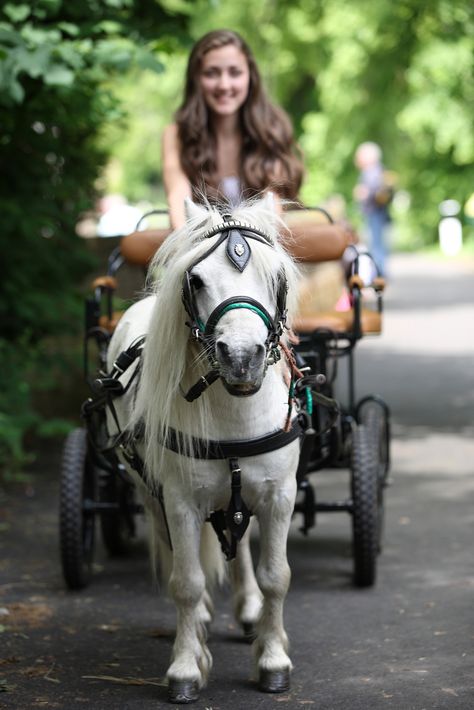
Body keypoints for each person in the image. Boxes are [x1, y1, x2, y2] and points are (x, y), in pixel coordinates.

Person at [162, 29, 304, 230]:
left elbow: (272, 210)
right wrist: (188, 245)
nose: (224, 84)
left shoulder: (271, 130)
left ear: (250, 77)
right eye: (211, 73)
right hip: (202, 250)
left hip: (263, 248)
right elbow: (178, 201)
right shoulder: (176, 136)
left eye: (235, 72)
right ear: (196, 79)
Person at [353, 142, 391, 276]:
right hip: (378, 212)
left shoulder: (372, 171)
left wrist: (364, 193)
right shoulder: (379, 170)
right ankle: (379, 272)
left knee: (376, 244)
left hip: (375, 212)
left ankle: (378, 274)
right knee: (377, 243)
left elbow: (373, 191)